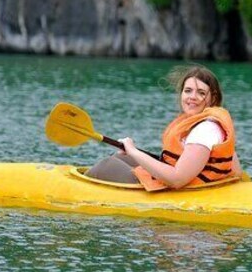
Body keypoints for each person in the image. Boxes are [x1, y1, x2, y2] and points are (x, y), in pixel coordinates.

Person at [86, 65, 241, 190]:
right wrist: (133, 153)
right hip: (199, 184)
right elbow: (236, 171)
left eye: (201, 93)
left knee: (106, 166)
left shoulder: (204, 130)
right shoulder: (212, 123)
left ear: (212, 98)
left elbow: (177, 179)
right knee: (122, 157)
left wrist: (133, 150)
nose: (192, 97)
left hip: (185, 189)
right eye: (188, 91)